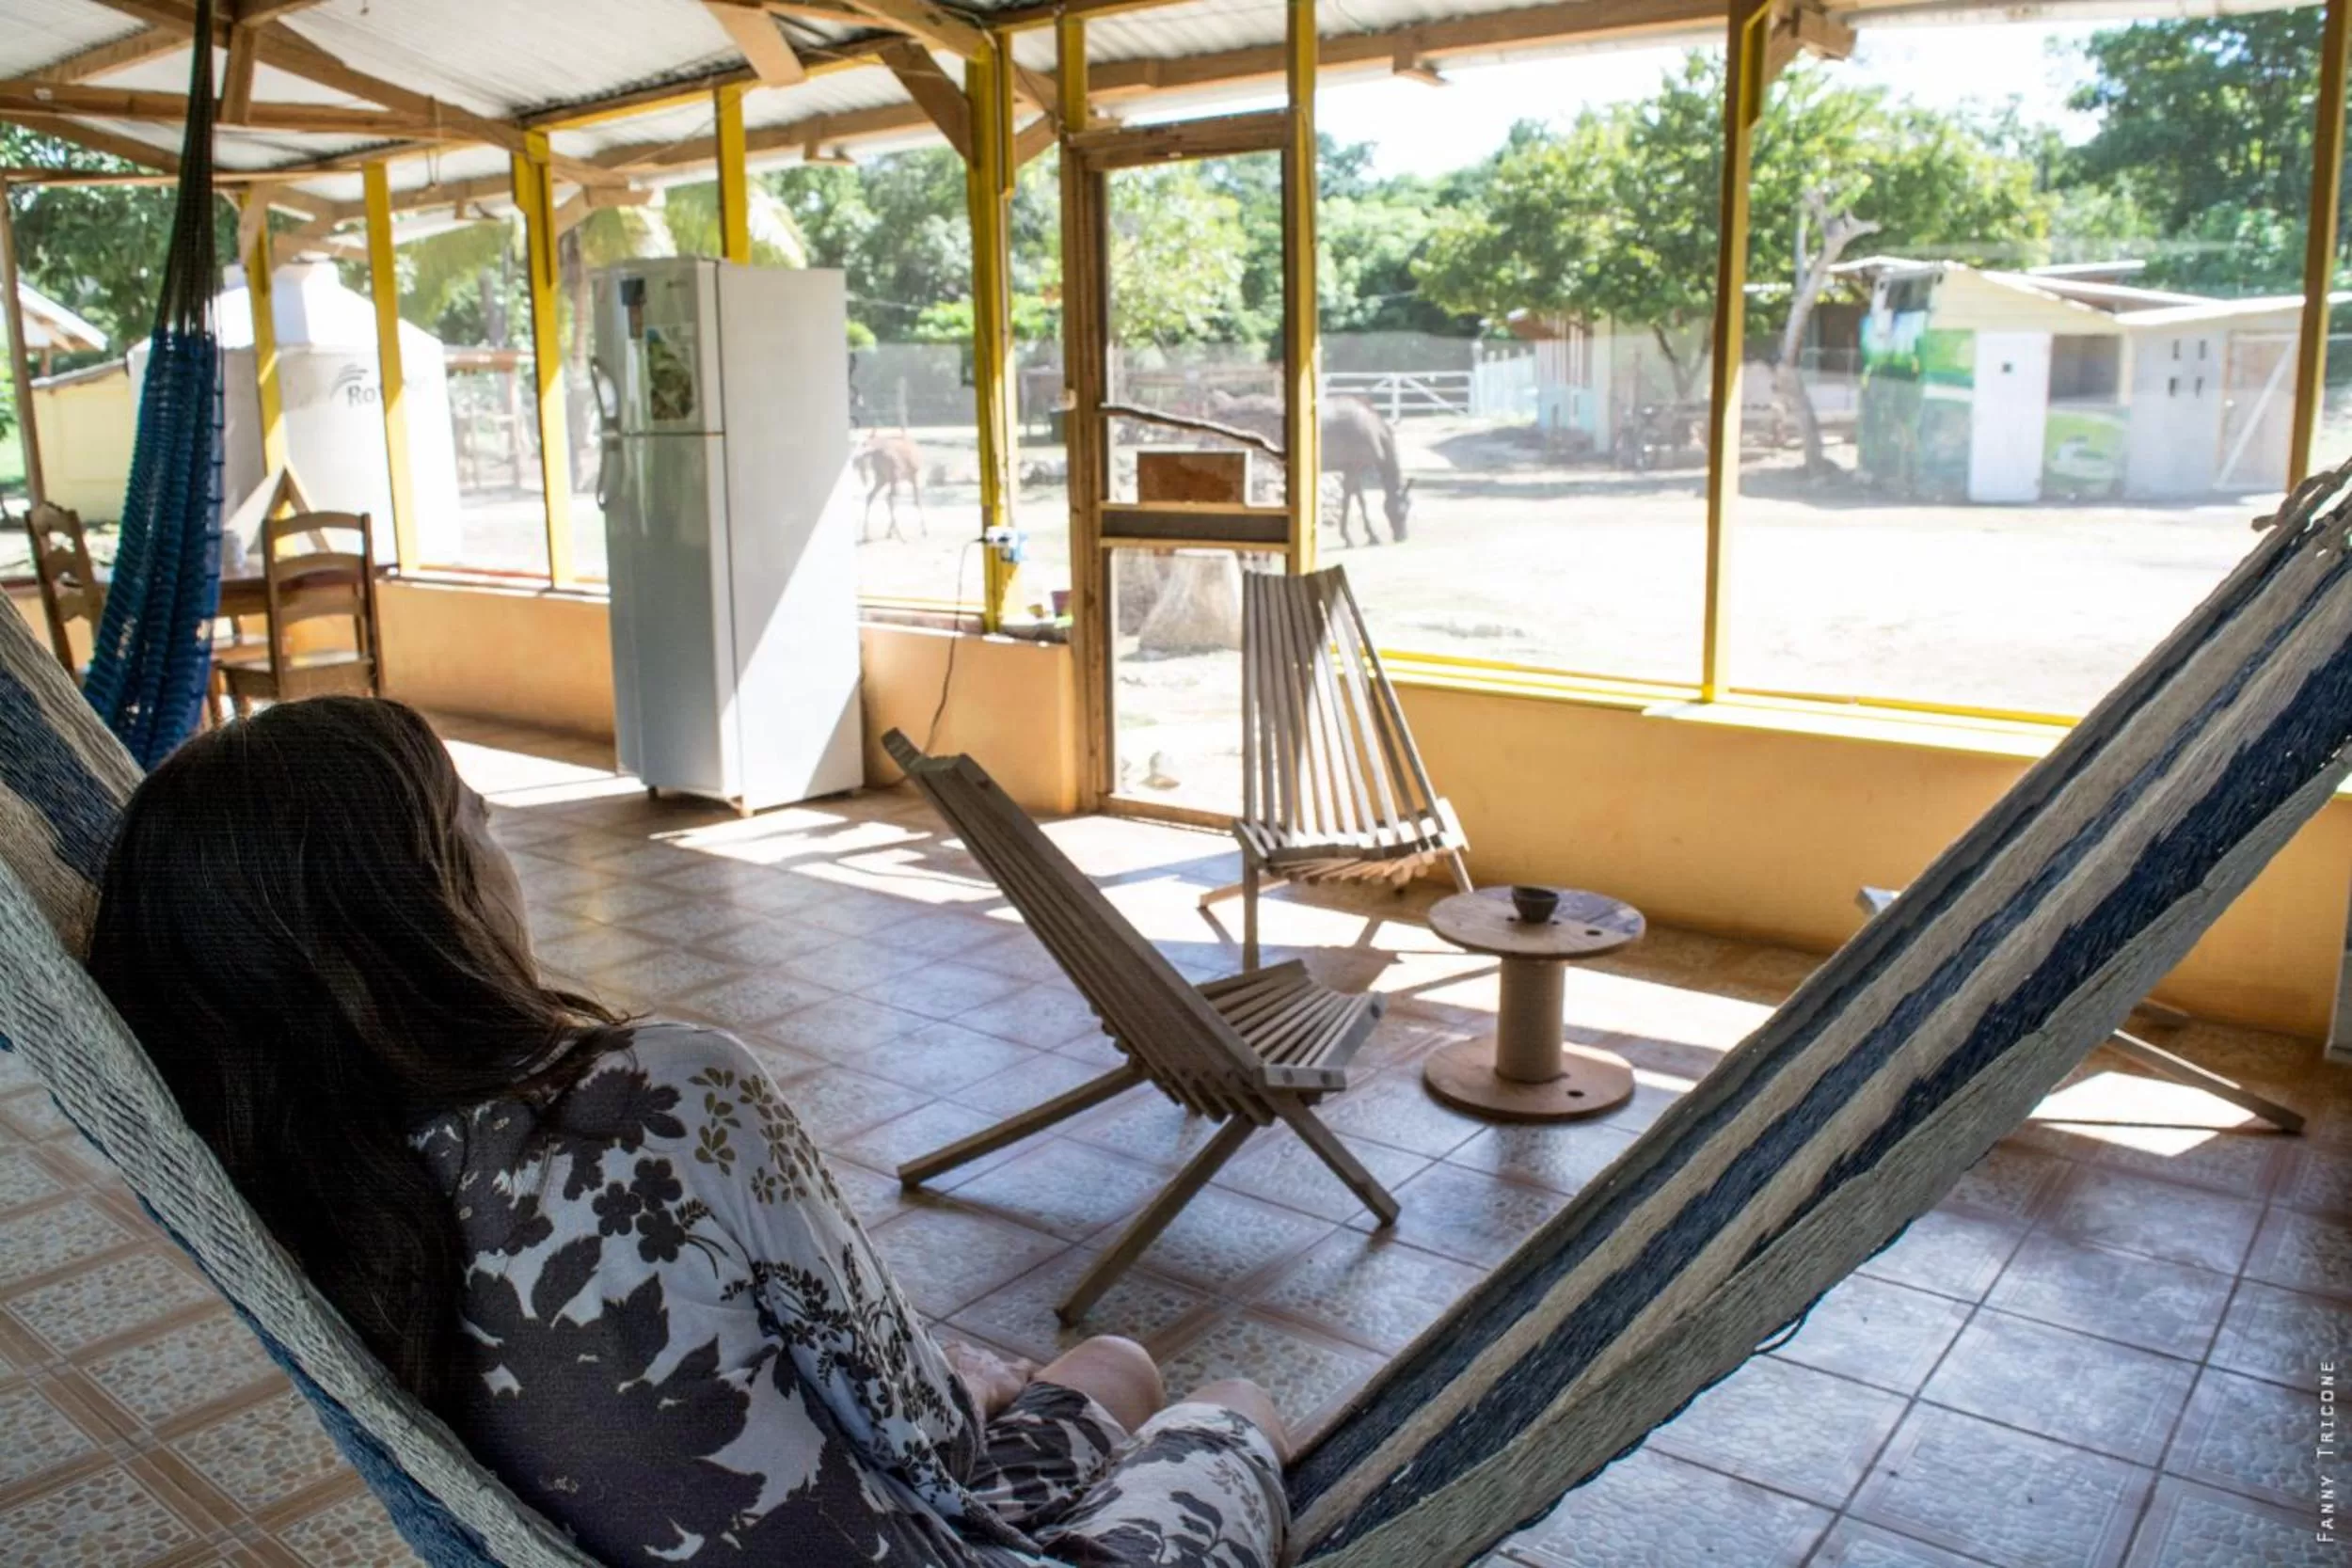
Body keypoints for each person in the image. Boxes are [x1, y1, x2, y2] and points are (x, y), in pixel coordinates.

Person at [88, 696, 1289, 1566]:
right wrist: (961, 1378)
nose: (503, 853)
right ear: (424, 899)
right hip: (936, 1530)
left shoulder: (289, 1192)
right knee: (1220, 1392)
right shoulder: (648, 1094)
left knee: (1110, 1366)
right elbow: (931, 1451)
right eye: (479, 823)